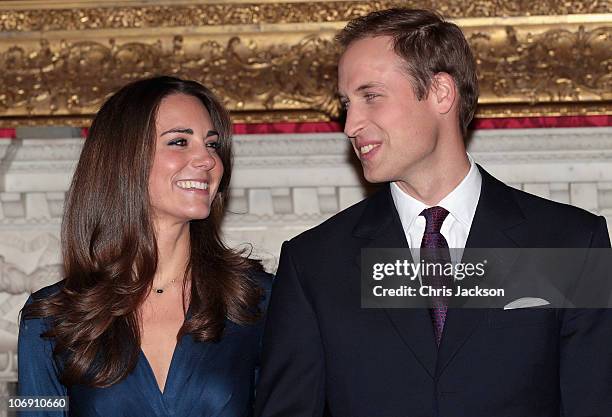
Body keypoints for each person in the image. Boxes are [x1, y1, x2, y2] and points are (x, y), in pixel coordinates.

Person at [254, 8, 612, 417]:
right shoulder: (315, 263)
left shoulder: (570, 243)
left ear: (441, 92)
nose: (351, 123)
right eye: (346, 104)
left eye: (371, 96)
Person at [18, 76, 271, 417]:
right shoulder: (48, 318)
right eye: (180, 142)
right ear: (124, 159)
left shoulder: (258, 299)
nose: (207, 160)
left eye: (212, 145)